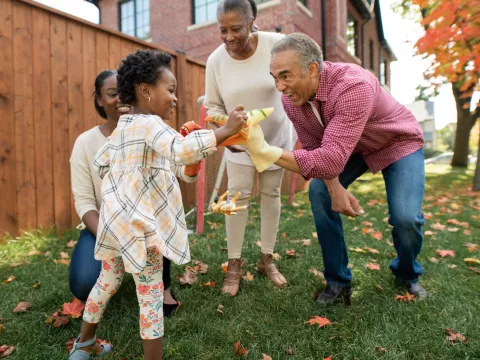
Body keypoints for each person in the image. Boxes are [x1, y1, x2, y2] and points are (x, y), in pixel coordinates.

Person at [68, 49, 247, 360]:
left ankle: (83, 345)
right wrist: (225, 131)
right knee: (150, 298)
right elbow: (179, 151)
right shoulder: (150, 125)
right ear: (146, 91)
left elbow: (102, 162)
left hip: (115, 228)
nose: (175, 99)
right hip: (141, 229)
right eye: (171, 90)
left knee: (106, 283)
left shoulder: (124, 126)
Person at [243, 32, 427, 305]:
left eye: (286, 75)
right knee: (319, 191)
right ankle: (337, 280)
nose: (280, 87)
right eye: (275, 77)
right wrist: (335, 187)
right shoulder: (292, 99)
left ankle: (407, 271)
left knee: (405, 218)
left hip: (397, 142)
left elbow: (329, 159)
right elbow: (317, 151)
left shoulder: (353, 86)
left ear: (313, 69)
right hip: (351, 147)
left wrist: (266, 152)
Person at [69, 70, 180, 317]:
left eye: (125, 91)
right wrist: (116, 237)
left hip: (147, 225)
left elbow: (179, 171)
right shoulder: (85, 143)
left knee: (157, 224)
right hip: (104, 225)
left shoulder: (153, 132)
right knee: (84, 283)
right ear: (99, 100)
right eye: (112, 93)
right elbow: (85, 202)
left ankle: (163, 287)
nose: (120, 98)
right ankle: (113, 274)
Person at [204, 0, 296, 296]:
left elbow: (293, 82)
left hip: (275, 141)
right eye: (223, 30)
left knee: (271, 194)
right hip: (238, 146)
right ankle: (233, 264)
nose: (229, 37)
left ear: (252, 20)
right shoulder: (215, 61)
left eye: (236, 29)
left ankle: (266, 259)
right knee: (237, 199)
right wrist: (223, 131)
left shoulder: (277, 45)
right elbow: (213, 105)